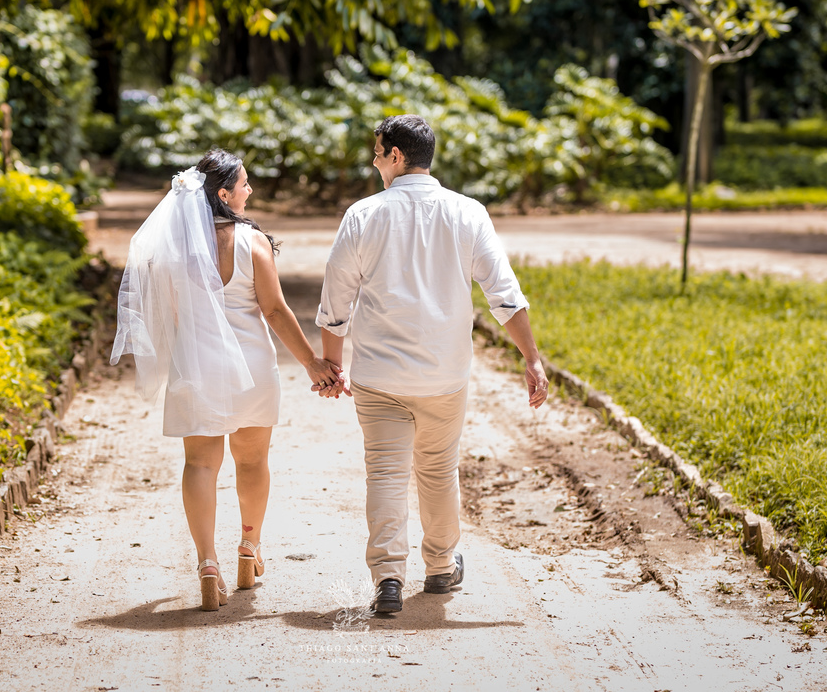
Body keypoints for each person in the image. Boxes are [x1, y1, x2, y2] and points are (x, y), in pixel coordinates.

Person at [314, 114, 548, 614]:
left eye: (378, 154)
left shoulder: (362, 215)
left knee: (385, 473)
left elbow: (336, 304)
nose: (375, 163)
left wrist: (332, 367)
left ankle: (388, 580)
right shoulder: (468, 213)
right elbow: (503, 295)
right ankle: (440, 566)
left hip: (379, 376)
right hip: (444, 375)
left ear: (397, 156)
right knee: (439, 471)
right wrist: (531, 358)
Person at [112, 148, 340, 611]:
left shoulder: (170, 248)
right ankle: (248, 547)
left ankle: (207, 562)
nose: (250, 190)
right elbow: (274, 311)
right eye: (244, 184)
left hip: (194, 366)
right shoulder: (252, 243)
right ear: (223, 194)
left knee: (200, 465)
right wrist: (314, 364)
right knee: (252, 461)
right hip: (252, 367)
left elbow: (166, 314)